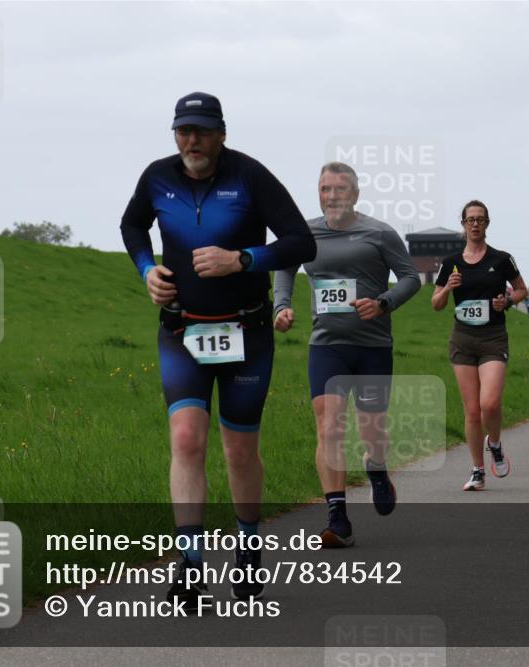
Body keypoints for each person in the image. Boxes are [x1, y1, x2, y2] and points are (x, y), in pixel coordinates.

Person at [120, 92, 316, 607]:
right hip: (181, 330)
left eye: (202, 131)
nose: (192, 140)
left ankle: (249, 552)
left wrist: (243, 259)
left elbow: (301, 242)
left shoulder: (250, 176)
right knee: (186, 438)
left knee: (239, 447)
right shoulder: (157, 177)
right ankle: (189, 564)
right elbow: (132, 225)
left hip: (246, 334)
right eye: (183, 130)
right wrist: (147, 271)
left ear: (222, 133)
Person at [273, 162, 420, 547]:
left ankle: (376, 467)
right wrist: (281, 306)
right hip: (326, 346)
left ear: (354, 195)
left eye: (339, 189)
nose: (331, 195)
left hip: (372, 347)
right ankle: (337, 518)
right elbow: (285, 267)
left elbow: (410, 278)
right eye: (324, 189)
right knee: (329, 425)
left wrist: (384, 303)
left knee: (372, 430)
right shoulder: (304, 233)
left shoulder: (379, 233)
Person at [433, 200, 528, 491]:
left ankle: (495, 443)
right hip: (462, 339)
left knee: (490, 404)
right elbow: (436, 304)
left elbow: (522, 289)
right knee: (472, 411)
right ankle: (477, 470)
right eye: (470, 219)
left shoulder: (501, 259)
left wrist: (508, 301)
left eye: (480, 219)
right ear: (463, 224)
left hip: (492, 338)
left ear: (487, 224)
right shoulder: (450, 262)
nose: (475, 224)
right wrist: (449, 286)